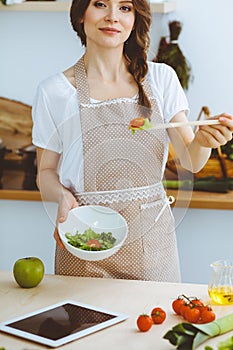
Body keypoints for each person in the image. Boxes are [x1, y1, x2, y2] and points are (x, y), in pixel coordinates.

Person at [32, 0, 233, 282]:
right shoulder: (54, 91)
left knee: (153, 325)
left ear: (135, 18)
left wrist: (204, 140)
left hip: (151, 243)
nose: (112, 17)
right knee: (86, 324)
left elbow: (192, 161)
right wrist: (63, 197)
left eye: (125, 7)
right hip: (85, 237)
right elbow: (45, 173)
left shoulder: (162, 79)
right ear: (81, 15)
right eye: (100, 4)